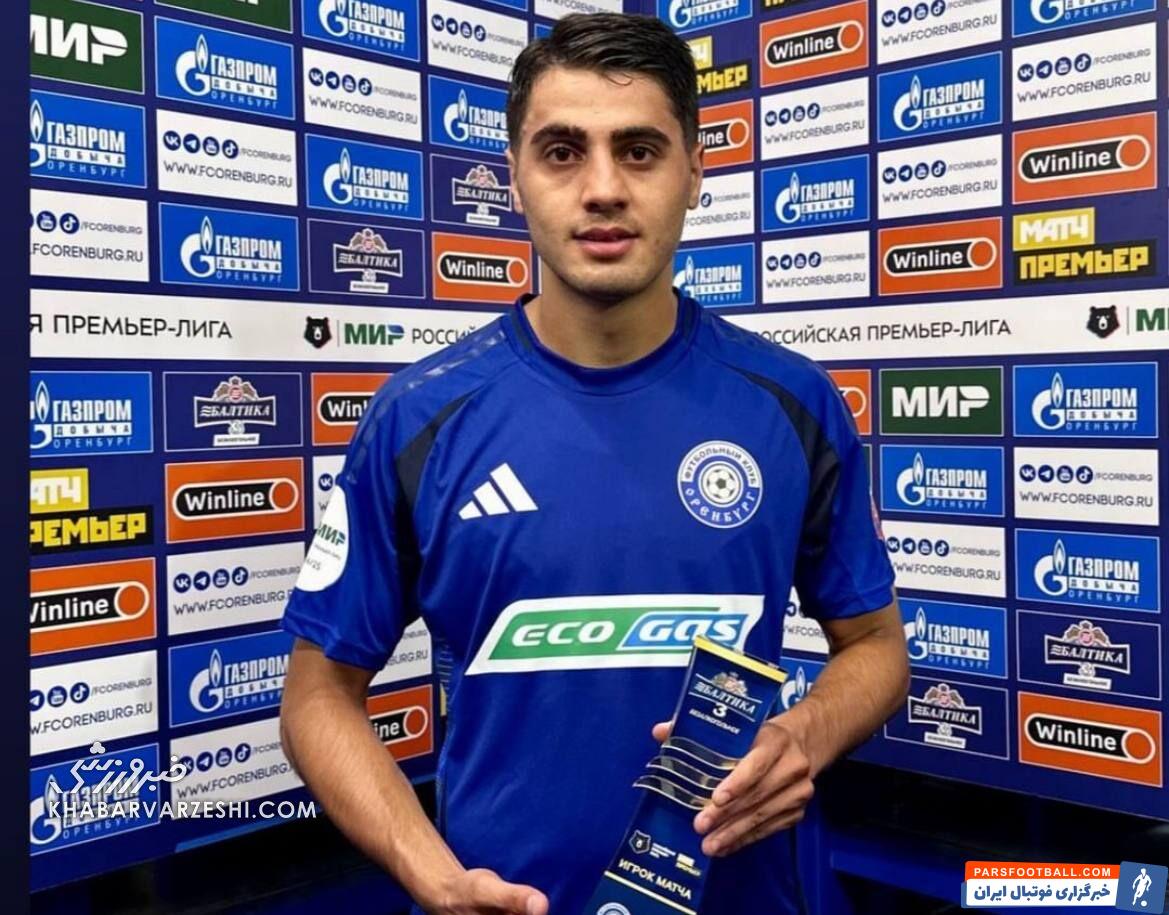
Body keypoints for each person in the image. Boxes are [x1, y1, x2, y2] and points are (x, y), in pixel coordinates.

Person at [279, 13, 909, 915]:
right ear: (514, 177)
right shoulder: (419, 416)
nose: (603, 188)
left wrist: (806, 733)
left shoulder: (793, 403)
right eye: (562, 152)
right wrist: (430, 873)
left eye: (640, 151)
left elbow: (875, 646)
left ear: (695, 171)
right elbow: (316, 694)